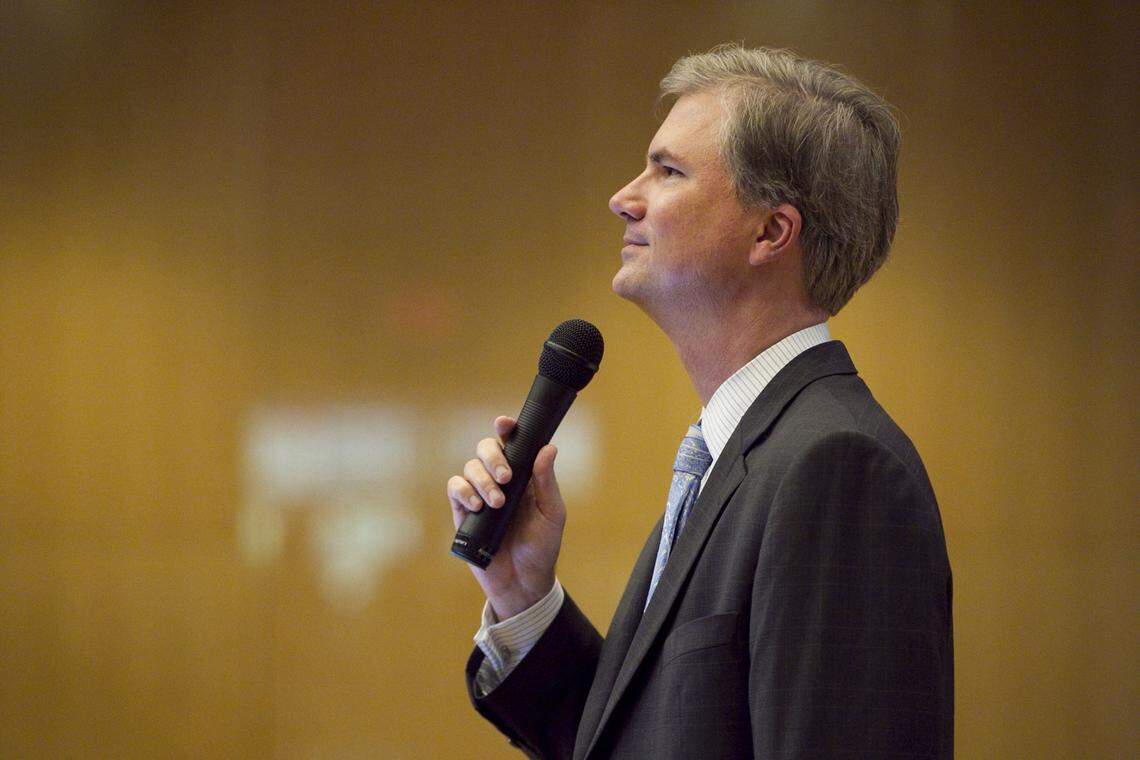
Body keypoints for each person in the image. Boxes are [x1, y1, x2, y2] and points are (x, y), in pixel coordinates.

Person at [446, 45, 953, 759]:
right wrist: (523, 597)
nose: (625, 196)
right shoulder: (745, 454)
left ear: (771, 232)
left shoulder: (837, 470)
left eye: (669, 170)